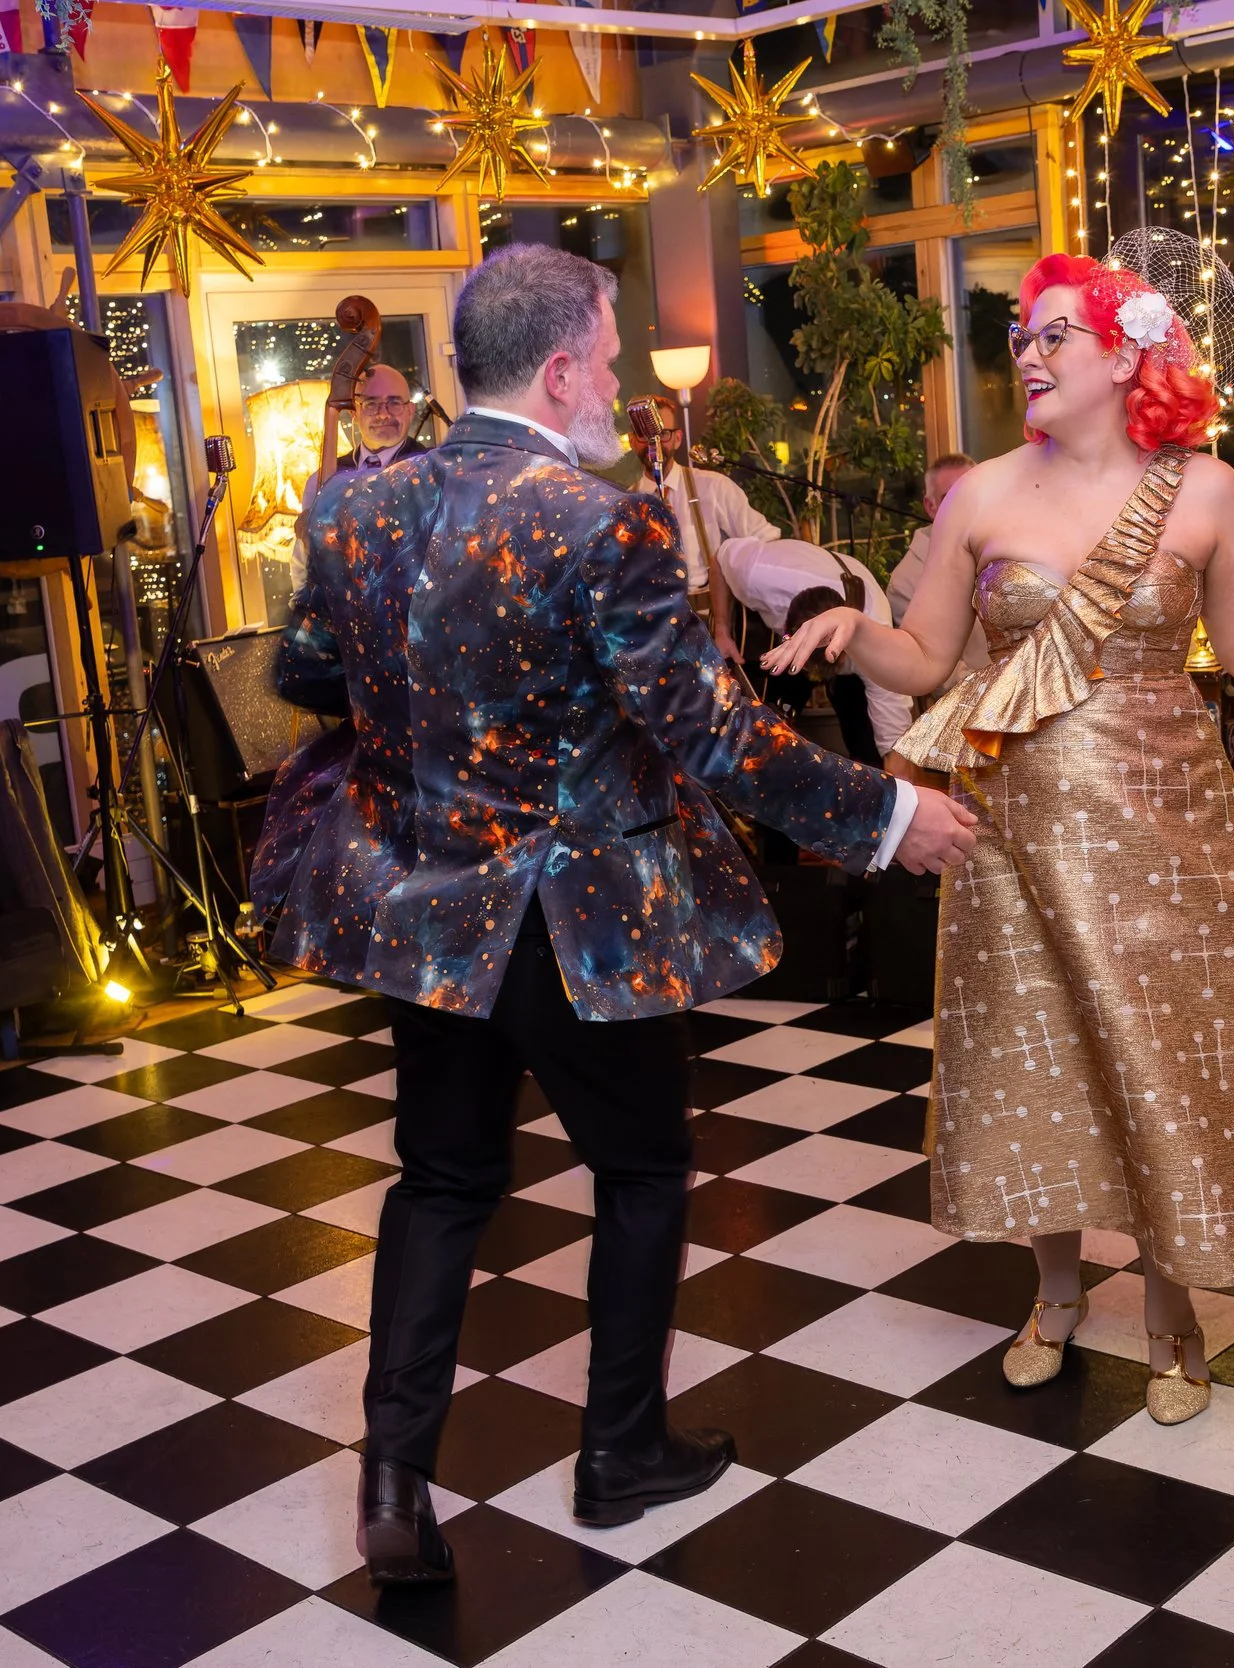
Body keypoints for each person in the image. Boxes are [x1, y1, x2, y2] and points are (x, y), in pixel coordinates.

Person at [270, 243, 978, 1584]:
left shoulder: (354, 510)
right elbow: (713, 735)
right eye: (604, 357)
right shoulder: (599, 523)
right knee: (644, 1170)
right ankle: (619, 1453)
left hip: (427, 917)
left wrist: (438, 710)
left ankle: (393, 1484)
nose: (615, 382)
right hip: (576, 918)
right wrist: (890, 817)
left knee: (441, 1183)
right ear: (556, 370)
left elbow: (308, 670)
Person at [766, 252, 1234, 1424]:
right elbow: (925, 658)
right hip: (1014, 828)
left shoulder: (1203, 489)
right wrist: (853, 631)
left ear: (1125, 355)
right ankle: (1055, 1297)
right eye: (1022, 334)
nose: (1027, 352)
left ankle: (1170, 1316)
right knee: (1037, 1064)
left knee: (1159, 1063)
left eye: (1052, 333)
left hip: (1165, 826)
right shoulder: (981, 495)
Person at [717, 534, 911, 763]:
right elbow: (719, 558)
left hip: (859, 657)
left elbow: (894, 734)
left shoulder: (878, 644)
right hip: (773, 641)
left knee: (866, 739)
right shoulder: (759, 574)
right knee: (767, 722)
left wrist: (897, 768)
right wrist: (722, 627)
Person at [631, 407, 781, 664]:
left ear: (677, 438)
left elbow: (767, 541)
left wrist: (739, 604)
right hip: (658, 632)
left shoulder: (713, 486)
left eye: (662, 434)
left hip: (716, 622)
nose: (653, 443)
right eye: (644, 435)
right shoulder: (626, 504)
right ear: (633, 441)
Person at [890, 455, 991, 690]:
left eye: (973, 493)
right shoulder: (905, 581)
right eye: (952, 498)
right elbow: (933, 669)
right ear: (930, 506)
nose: (967, 506)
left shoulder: (1005, 545)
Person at [302, 362, 430, 507]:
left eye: (394, 403)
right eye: (371, 404)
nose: (383, 415)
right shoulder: (323, 480)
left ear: (410, 411)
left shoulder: (433, 470)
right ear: (354, 413)